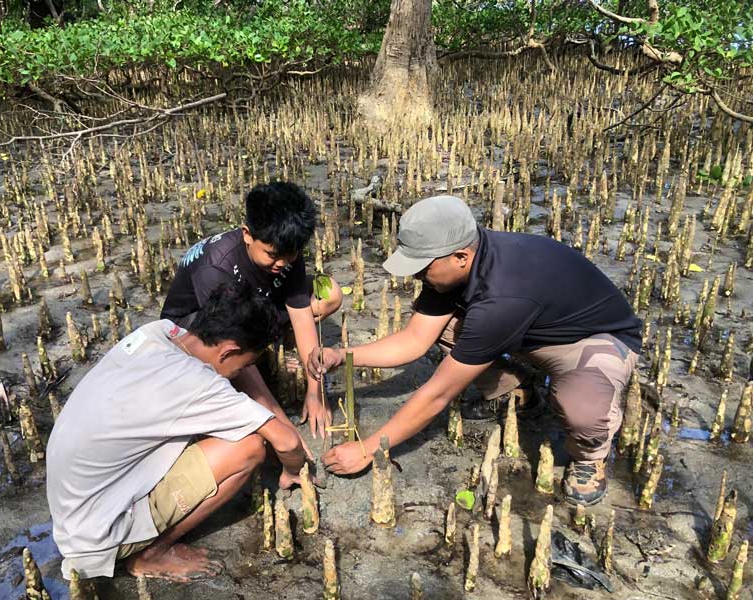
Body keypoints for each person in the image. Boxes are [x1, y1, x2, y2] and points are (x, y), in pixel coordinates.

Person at [309, 195, 641, 506]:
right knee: (450, 327)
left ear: (461, 257)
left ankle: (590, 456)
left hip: (593, 341)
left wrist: (369, 449)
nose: (418, 276)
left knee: (581, 410)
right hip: (531, 329)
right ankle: (520, 389)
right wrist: (344, 355)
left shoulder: (501, 296)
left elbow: (438, 395)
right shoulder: (456, 262)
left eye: (422, 268)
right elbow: (414, 340)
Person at [47, 283, 310, 581]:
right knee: (250, 447)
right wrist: (293, 470)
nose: (242, 373)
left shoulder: (159, 332)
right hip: (99, 536)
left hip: (71, 511)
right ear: (229, 351)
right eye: (245, 365)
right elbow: (286, 441)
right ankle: (150, 554)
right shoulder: (197, 384)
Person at [162, 182, 342, 439]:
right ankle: (263, 356)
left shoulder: (286, 249)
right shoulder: (215, 267)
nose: (281, 264)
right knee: (234, 365)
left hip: (256, 302)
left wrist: (316, 391)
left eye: (290, 257)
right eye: (272, 255)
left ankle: (275, 351)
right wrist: (283, 427)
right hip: (196, 327)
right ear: (247, 234)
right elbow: (233, 341)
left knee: (331, 293)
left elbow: (301, 316)